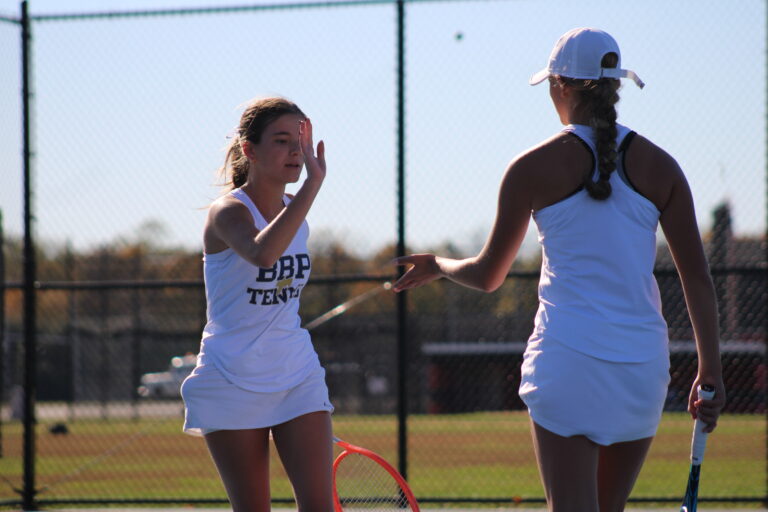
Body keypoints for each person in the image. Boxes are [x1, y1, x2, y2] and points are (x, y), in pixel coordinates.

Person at [392, 28, 725, 511]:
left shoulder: (529, 168)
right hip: (641, 371)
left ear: (561, 86)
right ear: (615, 88)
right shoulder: (664, 167)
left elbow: (488, 275)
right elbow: (698, 277)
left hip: (568, 366)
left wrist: (439, 265)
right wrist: (709, 369)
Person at [180, 97, 334, 512]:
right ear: (250, 149)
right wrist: (312, 187)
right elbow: (262, 254)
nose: (295, 152)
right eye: (282, 141)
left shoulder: (296, 218)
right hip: (231, 376)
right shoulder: (227, 212)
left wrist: (303, 195)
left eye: (299, 142)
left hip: (297, 373)